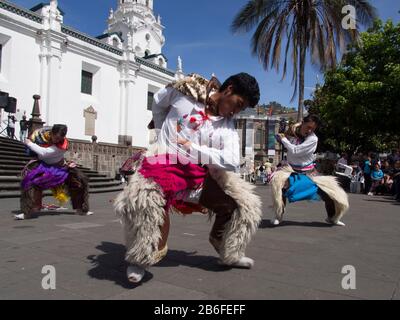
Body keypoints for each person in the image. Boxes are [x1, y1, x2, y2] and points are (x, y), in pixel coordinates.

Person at [114, 73, 263, 283]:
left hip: (201, 174)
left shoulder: (227, 125)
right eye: (237, 104)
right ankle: (139, 258)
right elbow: (158, 102)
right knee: (144, 198)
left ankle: (229, 252)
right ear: (228, 90)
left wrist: (193, 149)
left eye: (241, 109)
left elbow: (231, 159)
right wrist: (161, 135)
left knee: (246, 205)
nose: (235, 112)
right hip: (163, 165)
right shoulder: (184, 92)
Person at [271, 115, 349, 226]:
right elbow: (282, 137)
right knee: (280, 188)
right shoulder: (293, 130)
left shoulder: (313, 139)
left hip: (309, 172)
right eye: (308, 127)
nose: (309, 130)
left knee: (329, 193)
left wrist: (283, 139)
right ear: (302, 123)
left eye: (312, 129)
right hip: (290, 170)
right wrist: (282, 136)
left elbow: (295, 151)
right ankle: (279, 216)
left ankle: (332, 218)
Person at [15, 125, 93, 220]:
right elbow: (39, 151)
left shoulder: (63, 145)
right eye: (56, 137)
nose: (57, 141)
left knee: (80, 180)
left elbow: (44, 152)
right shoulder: (40, 136)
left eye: (60, 138)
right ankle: (28, 211)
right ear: (51, 133)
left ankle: (82, 209)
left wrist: (29, 143)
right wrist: (31, 143)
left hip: (59, 167)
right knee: (29, 182)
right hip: (42, 166)